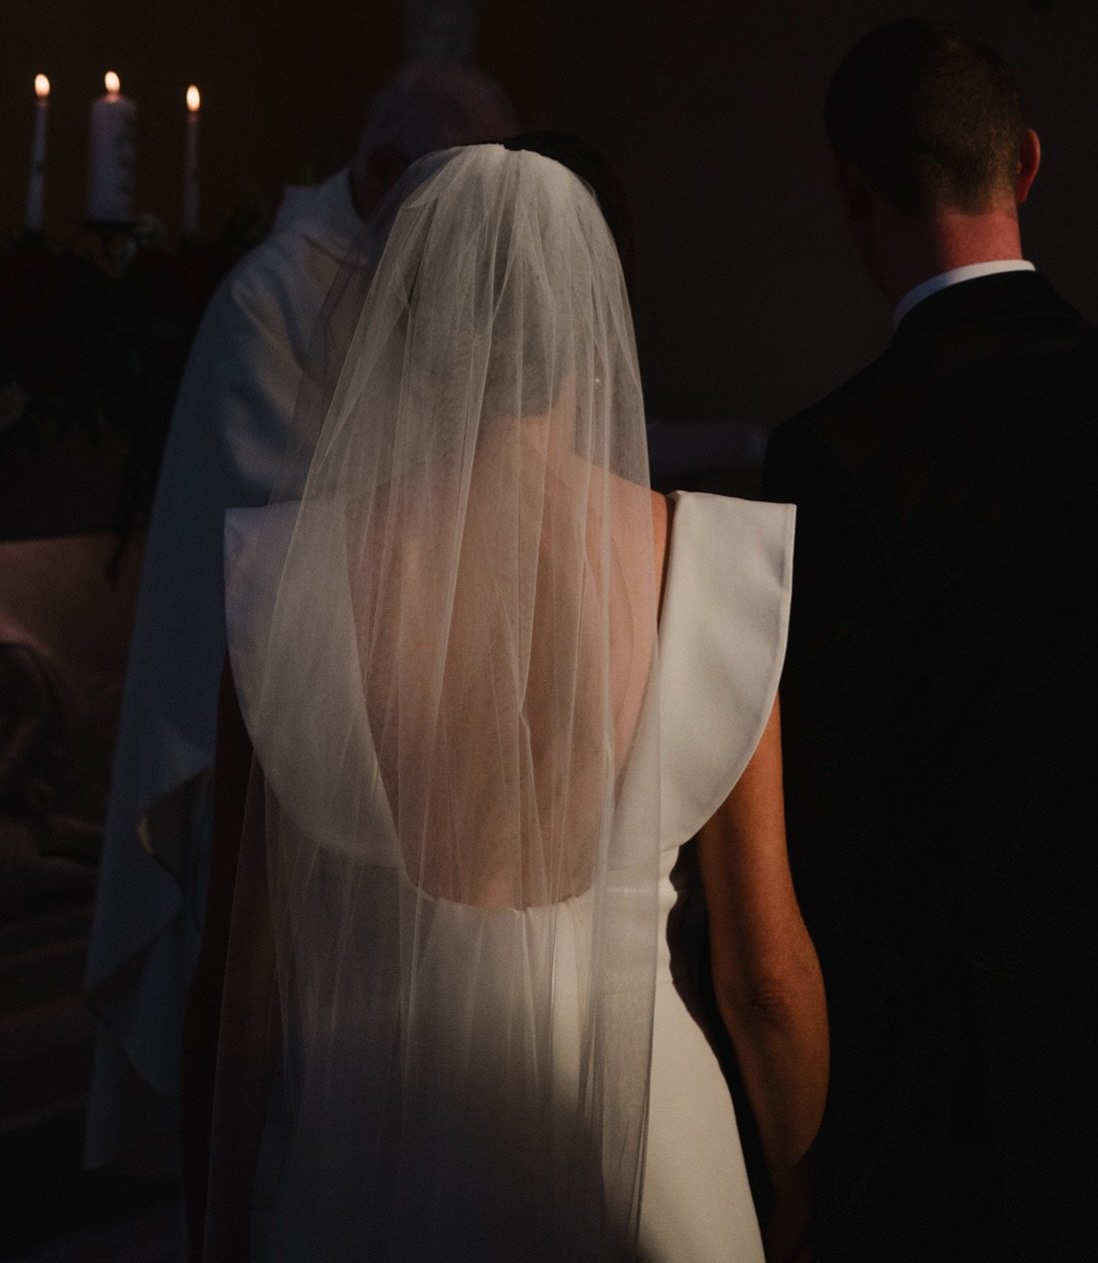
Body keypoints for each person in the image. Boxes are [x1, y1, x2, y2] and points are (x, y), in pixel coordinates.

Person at [182, 141, 827, 1263]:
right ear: (589, 330)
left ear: (405, 333)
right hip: (642, 1152)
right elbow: (765, 977)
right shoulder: (711, 567)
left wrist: (215, 1225)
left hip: (372, 1149)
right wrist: (800, 1195)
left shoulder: (286, 583)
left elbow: (243, 987)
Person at [763, 17, 1098, 1261]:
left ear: (854, 191)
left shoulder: (840, 459)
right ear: (1027, 167)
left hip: (976, 1125)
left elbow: (837, 826)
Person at [84, 62, 518, 1173]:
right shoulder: (270, 294)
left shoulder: (429, 280)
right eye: (443, 191)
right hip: (280, 696)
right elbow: (273, 511)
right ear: (375, 173)